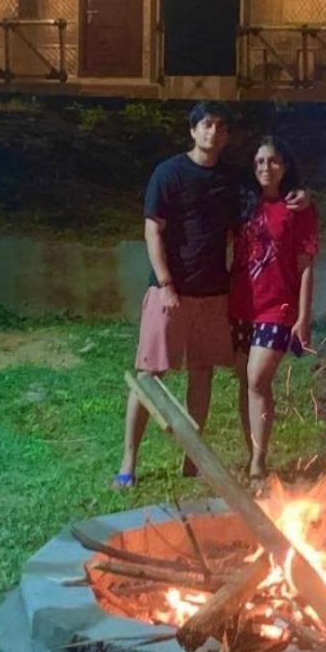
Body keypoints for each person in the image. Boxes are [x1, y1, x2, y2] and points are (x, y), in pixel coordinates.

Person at [115, 101, 238, 489]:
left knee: (202, 374)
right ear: (192, 131)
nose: (212, 132)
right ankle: (128, 462)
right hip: (171, 294)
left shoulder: (230, 179)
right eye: (206, 124)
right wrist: (166, 284)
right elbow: (153, 230)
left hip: (213, 294)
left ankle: (192, 458)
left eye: (220, 126)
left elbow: (239, 228)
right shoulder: (168, 174)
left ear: (226, 134)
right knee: (149, 376)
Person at [229, 135, 318, 480]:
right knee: (244, 382)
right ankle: (252, 450)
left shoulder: (298, 208)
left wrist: (303, 316)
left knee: (256, 380)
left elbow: (306, 264)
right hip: (240, 304)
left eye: (273, 161)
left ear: (286, 166)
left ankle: (259, 461)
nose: (266, 168)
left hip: (277, 308)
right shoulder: (242, 205)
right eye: (260, 162)